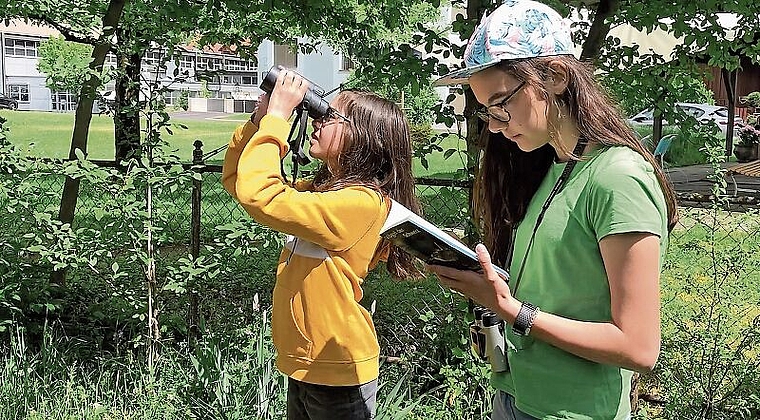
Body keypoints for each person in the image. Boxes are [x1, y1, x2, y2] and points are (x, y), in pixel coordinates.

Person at [430, 1, 678, 419]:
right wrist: (489, 285)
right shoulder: (555, 168)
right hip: (516, 397)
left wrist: (514, 311)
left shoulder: (618, 177)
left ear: (556, 77)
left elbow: (638, 347)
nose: (494, 124)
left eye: (501, 103)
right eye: (486, 111)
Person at [221, 70, 422, 419]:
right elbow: (240, 181)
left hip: (337, 368)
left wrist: (279, 119)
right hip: (308, 362)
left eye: (330, 116)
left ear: (363, 140)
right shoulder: (327, 192)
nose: (318, 120)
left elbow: (261, 196)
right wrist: (259, 121)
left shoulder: (360, 204)